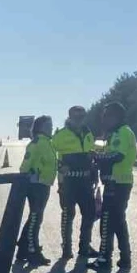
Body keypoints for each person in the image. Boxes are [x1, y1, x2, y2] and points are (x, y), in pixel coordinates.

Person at [90, 102, 136, 270]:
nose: (104, 119)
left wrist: (97, 158)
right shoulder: (117, 132)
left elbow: (117, 156)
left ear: (116, 116)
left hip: (117, 183)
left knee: (107, 222)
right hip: (117, 182)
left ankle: (104, 259)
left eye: (107, 115)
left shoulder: (122, 133)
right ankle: (125, 258)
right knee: (118, 222)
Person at [52, 105, 97, 258]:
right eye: (76, 116)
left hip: (85, 180)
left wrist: (94, 173)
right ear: (69, 117)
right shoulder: (61, 135)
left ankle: (85, 246)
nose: (79, 119)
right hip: (68, 181)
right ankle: (66, 247)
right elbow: (50, 153)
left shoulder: (88, 133)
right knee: (68, 214)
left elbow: (91, 155)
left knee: (89, 213)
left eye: (82, 116)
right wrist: (59, 165)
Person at [16, 115, 57, 265]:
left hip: (44, 184)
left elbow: (47, 163)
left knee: (34, 218)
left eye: (51, 125)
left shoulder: (48, 143)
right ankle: (32, 252)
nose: (51, 128)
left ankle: (23, 247)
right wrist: (22, 182)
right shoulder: (37, 143)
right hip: (36, 185)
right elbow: (26, 163)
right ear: (40, 127)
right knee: (35, 219)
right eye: (48, 125)